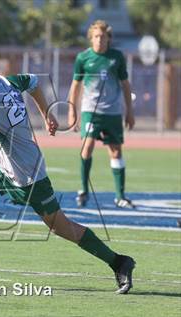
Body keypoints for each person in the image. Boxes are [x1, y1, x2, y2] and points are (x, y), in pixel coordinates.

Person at [0, 38, 135, 294]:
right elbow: (34, 82)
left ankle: (119, 262)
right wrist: (46, 114)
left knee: (60, 226)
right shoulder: (7, 81)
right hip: (4, 158)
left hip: (26, 171)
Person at [67, 20, 136, 209]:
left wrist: (129, 111)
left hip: (113, 112)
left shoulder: (116, 57)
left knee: (115, 151)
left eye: (103, 36)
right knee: (87, 147)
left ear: (108, 38)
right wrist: (72, 110)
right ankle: (83, 190)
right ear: (91, 38)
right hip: (91, 111)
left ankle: (120, 196)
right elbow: (75, 86)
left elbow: (125, 84)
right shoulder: (83, 58)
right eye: (96, 36)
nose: (99, 40)